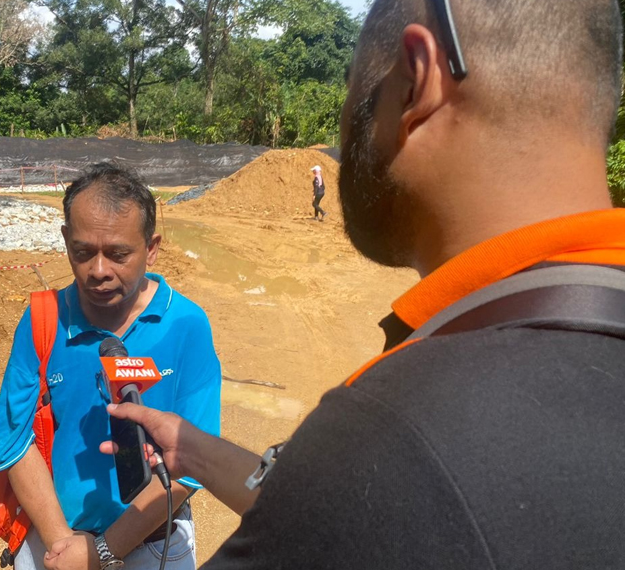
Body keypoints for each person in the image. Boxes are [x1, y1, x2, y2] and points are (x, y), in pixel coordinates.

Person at [101, 0, 625, 568]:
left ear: (415, 84)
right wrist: (195, 452)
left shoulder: (390, 435)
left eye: (351, 92)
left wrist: (101, 551)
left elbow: (349, 510)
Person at [0, 163, 221, 570]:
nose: (98, 271)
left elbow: (192, 465)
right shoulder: (43, 322)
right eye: (83, 253)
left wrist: (101, 552)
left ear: (151, 248)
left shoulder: (186, 325)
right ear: (66, 240)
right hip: (56, 542)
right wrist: (63, 544)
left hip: (155, 545)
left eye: (118, 255)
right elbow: (13, 441)